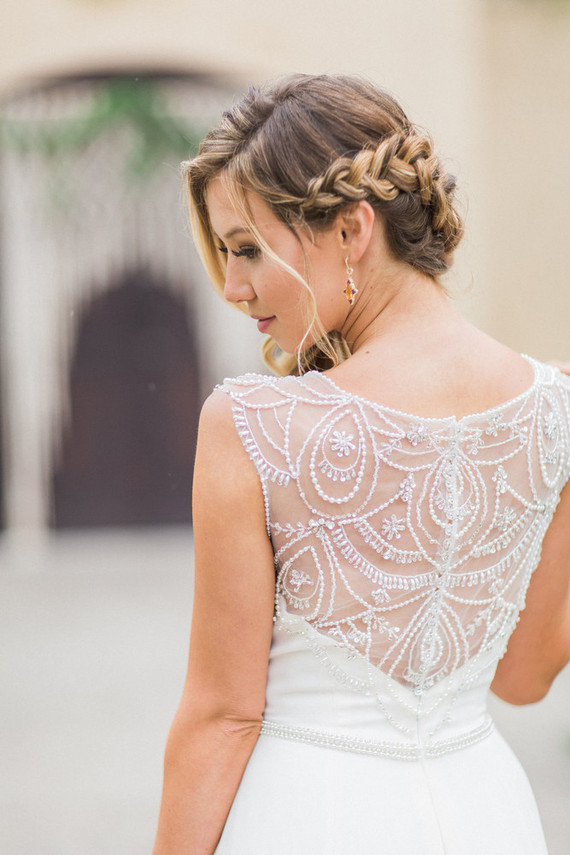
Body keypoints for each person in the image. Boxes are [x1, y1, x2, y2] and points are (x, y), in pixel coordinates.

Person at [152, 74, 570, 854]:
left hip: (312, 817)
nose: (234, 287)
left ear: (352, 229)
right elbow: (524, 677)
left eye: (246, 248)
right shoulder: (556, 411)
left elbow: (223, 714)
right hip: (486, 815)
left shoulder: (255, 423)